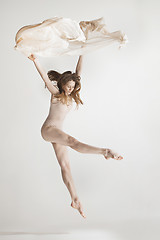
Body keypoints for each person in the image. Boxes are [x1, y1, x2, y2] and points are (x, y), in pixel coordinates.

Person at [28, 54, 123, 218]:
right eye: (68, 86)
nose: (71, 89)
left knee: (65, 167)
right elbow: (44, 77)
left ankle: (75, 199)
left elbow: (78, 72)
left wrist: (82, 52)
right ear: (62, 84)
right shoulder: (56, 94)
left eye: (73, 86)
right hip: (49, 129)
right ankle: (105, 152)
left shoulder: (71, 96)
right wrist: (36, 61)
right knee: (72, 141)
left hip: (56, 133)